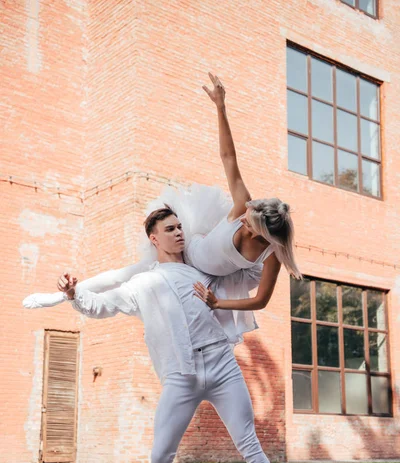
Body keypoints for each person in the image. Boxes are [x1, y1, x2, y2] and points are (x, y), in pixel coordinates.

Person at [57, 205, 297, 463]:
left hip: (221, 366)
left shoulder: (207, 268)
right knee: (158, 458)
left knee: (251, 447)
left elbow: (252, 274)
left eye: (180, 226)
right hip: (180, 377)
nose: (179, 232)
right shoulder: (142, 283)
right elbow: (101, 305)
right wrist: (75, 294)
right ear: (154, 238)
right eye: (170, 229)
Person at [23, 72, 301, 325]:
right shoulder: (243, 206)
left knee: (191, 317)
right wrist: (220, 107)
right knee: (126, 274)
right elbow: (228, 157)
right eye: (247, 215)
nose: (242, 218)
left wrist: (219, 302)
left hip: (208, 277)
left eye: (250, 223)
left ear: (264, 234)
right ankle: (64, 296)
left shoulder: (272, 255)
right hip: (190, 248)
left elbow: (261, 300)